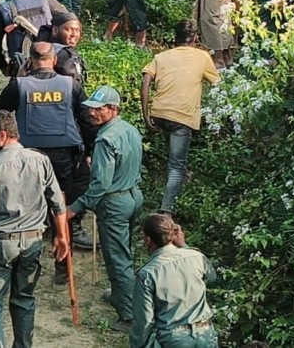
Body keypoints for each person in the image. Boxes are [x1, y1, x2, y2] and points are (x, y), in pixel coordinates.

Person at [0, 110, 71, 348]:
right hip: (32, 242)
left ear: (3, 135)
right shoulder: (41, 160)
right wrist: (61, 237)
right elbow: (57, 203)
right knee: (24, 299)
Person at [0, 42, 97, 276]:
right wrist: (90, 151)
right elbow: (87, 120)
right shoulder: (71, 85)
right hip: (64, 155)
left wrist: (17, 80)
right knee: (62, 206)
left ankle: (31, 264)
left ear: (30, 61)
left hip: (29, 156)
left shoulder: (19, 85)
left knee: (30, 206)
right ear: (55, 61)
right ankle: (63, 266)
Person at [65, 85, 144, 323]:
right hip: (133, 196)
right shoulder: (129, 129)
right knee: (125, 252)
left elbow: (99, 185)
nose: (92, 114)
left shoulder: (105, 140)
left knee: (117, 259)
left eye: (99, 109)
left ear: (113, 109)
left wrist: (75, 208)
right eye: (91, 109)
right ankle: (121, 296)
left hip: (114, 204)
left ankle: (127, 315)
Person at [140, 21, 219, 216]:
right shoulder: (203, 57)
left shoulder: (161, 56)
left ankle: (157, 185)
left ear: (175, 38)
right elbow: (218, 84)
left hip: (159, 113)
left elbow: (146, 79)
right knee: (176, 165)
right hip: (183, 117)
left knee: (171, 155)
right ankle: (167, 209)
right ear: (195, 38)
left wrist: (146, 114)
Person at [130, 214, 218, 348]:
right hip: (206, 333)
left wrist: (138, 345)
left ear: (148, 240)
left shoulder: (146, 274)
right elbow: (212, 278)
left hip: (174, 338)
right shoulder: (196, 257)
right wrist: (183, 245)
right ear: (174, 234)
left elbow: (145, 321)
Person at [52, 12, 87, 89]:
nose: (74, 34)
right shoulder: (63, 55)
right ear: (55, 30)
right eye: (68, 29)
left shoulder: (48, 48)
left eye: (77, 30)